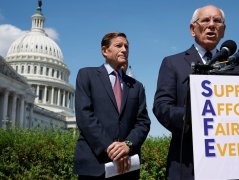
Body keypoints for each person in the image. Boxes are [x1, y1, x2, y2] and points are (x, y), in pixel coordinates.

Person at [153, 4, 227, 180]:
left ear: (223, 31)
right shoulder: (173, 63)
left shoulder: (236, 67)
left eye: (217, 21)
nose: (211, 25)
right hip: (187, 160)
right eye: (205, 20)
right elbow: (161, 106)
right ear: (193, 29)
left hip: (228, 160)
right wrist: (193, 117)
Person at [73, 32, 151, 179]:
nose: (124, 50)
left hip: (126, 167)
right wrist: (112, 149)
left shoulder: (137, 86)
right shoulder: (86, 75)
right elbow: (85, 117)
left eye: (126, 46)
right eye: (118, 46)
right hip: (94, 165)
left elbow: (143, 122)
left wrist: (127, 145)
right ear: (104, 51)